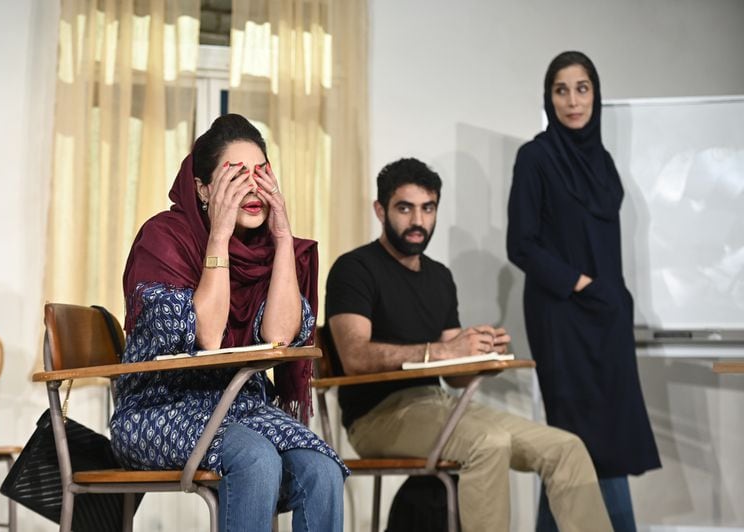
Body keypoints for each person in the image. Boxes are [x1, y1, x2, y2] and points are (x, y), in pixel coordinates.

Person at [325, 157, 612, 532]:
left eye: (428, 208)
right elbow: (354, 357)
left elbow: (456, 375)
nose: (418, 221)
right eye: (404, 208)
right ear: (380, 210)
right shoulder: (354, 268)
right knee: (489, 442)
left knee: (566, 448)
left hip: (442, 405)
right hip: (376, 417)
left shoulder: (440, 277)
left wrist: (479, 352)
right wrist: (442, 351)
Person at [110, 114, 347, 532]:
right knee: (254, 457)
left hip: (242, 408)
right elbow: (207, 333)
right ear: (203, 189)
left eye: (261, 173)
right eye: (235, 176)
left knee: (321, 468)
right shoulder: (164, 237)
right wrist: (218, 236)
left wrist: (283, 237)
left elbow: (279, 337)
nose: (252, 187)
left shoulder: (263, 251)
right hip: (158, 408)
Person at [506, 51, 661, 531]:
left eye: (582, 88)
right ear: (548, 98)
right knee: (584, 440)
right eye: (561, 90)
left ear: (595, 94)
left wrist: (610, 296)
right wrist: (579, 283)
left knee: (590, 441)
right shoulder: (536, 157)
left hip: (606, 318)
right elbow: (521, 243)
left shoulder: (604, 163)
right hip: (562, 317)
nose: (573, 101)